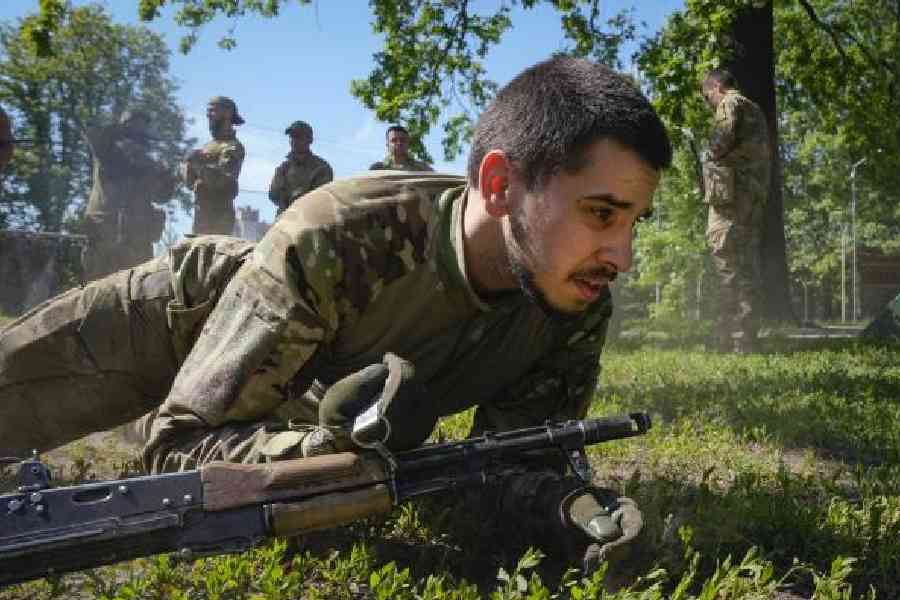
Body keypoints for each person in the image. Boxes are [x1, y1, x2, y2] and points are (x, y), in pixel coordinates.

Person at [0, 56, 671, 573]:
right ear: (500, 185)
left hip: (298, 401)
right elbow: (175, 457)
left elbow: (497, 471)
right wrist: (329, 452)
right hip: (180, 320)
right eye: (602, 213)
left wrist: (568, 511)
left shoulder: (573, 298)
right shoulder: (342, 234)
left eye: (634, 221)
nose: (623, 255)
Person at [701, 69, 770, 353]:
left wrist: (706, 155)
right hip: (752, 196)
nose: (709, 104)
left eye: (708, 97)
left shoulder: (730, 103)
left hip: (731, 197)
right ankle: (746, 339)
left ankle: (725, 339)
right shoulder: (755, 109)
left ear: (716, 86)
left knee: (724, 262)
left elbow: (721, 141)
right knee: (746, 265)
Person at [82, 110, 176, 280]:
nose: (137, 138)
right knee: (96, 291)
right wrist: (123, 129)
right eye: (134, 129)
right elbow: (94, 134)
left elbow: (162, 196)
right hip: (104, 235)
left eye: (142, 131)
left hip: (137, 240)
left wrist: (168, 176)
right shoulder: (107, 152)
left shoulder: (149, 164)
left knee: (136, 293)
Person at [184, 96, 246, 235]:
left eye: (213, 110)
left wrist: (198, 163)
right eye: (208, 111)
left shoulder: (233, 147)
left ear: (227, 113)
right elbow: (190, 184)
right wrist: (188, 165)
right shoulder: (207, 146)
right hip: (201, 216)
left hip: (218, 217)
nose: (208, 115)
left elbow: (221, 180)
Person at [268, 120, 333, 215]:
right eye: (292, 137)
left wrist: (297, 196)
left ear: (309, 140)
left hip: (310, 220)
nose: (294, 140)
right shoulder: (283, 168)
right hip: (285, 219)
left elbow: (320, 198)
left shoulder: (321, 168)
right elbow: (274, 194)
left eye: (298, 137)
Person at [369, 125, 433, 171]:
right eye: (394, 140)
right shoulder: (377, 168)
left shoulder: (423, 169)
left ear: (408, 143)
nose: (399, 143)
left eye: (403, 140)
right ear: (387, 144)